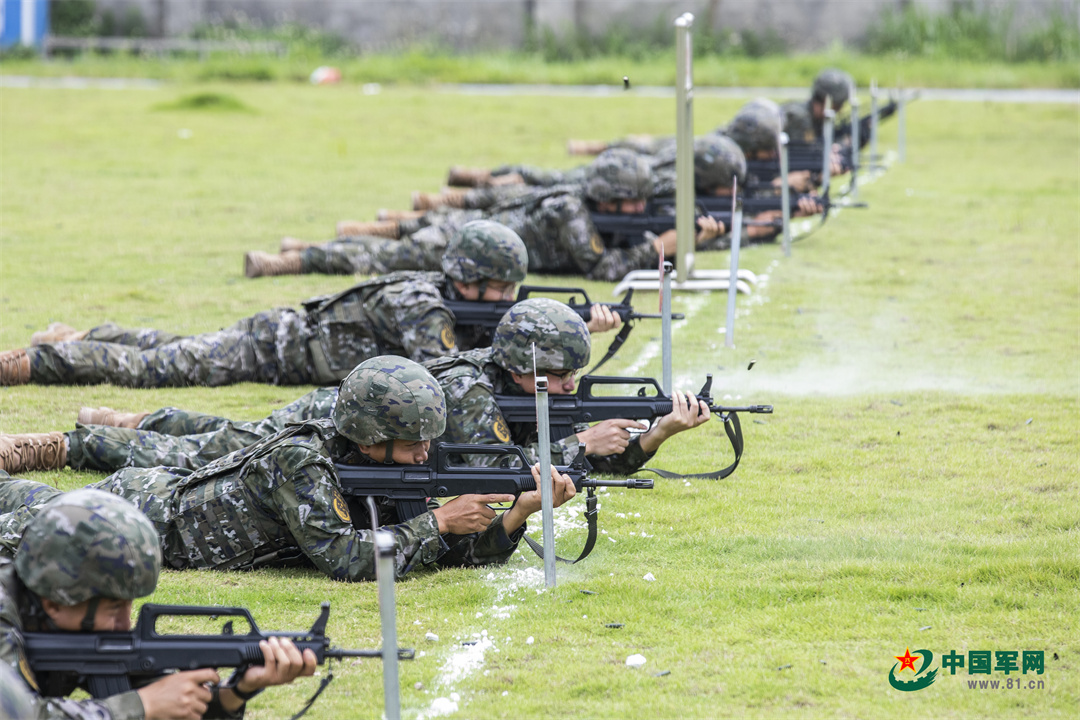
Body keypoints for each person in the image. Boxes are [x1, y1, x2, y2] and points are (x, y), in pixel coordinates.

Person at [0, 357, 577, 582]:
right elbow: (348, 558)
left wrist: (518, 513)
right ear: (372, 437)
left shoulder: (386, 471)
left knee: (22, 500)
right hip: (145, 516)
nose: (425, 453)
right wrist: (440, 523)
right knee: (23, 526)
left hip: (150, 505)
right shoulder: (301, 460)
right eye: (411, 442)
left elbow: (438, 555)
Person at [0, 221, 530, 388]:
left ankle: (74, 338)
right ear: (468, 278)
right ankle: (32, 364)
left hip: (278, 337)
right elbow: (444, 377)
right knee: (158, 368)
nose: (507, 300)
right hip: (271, 349)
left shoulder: (440, 295)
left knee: (176, 347)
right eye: (501, 290)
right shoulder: (423, 306)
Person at [0, 487, 314, 719]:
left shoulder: (70, 628)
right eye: (113, 608)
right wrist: (143, 705)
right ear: (56, 599)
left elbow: (171, 702)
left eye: (128, 605)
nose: (125, 624)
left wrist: (236, 691)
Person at [269, 149, 721, 283]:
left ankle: (309, 248)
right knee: (378, 260)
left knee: (386, 250)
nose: (638, 210)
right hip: (469, 242)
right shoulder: (572, 212)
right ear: (609, 199)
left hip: (479, 234)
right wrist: (663, 246)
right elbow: (602, 266)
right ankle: (293, 259)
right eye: (631, 203)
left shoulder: (588, 206)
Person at [429, 298, 712, 473]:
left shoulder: (526, 388)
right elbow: (498, 470)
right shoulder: (467, 388)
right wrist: (584, 442)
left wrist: (660, 432)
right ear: (518, 371)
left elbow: (597, 462)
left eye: (574, 373)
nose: (570, 385)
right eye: (561, 374)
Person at [780, 67, 854, 144]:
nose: (839, 110)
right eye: (838, 105)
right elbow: (802, 151)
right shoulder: (797, 117)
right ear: (826, 101)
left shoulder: (819, 122)